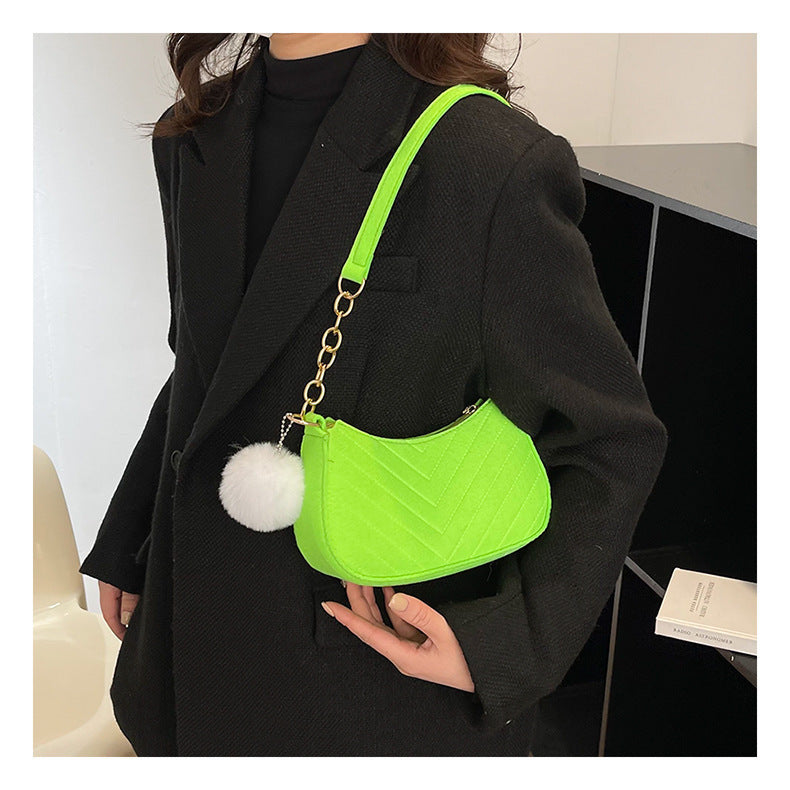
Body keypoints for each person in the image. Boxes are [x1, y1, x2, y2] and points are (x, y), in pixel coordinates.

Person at [79, 33, 668, 757]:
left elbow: (611, 437)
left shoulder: (485, 158)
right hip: (183, 654)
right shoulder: (195, 133)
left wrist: (504, 643)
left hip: (363, 691)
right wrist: (130, 540)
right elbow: (204, 371)